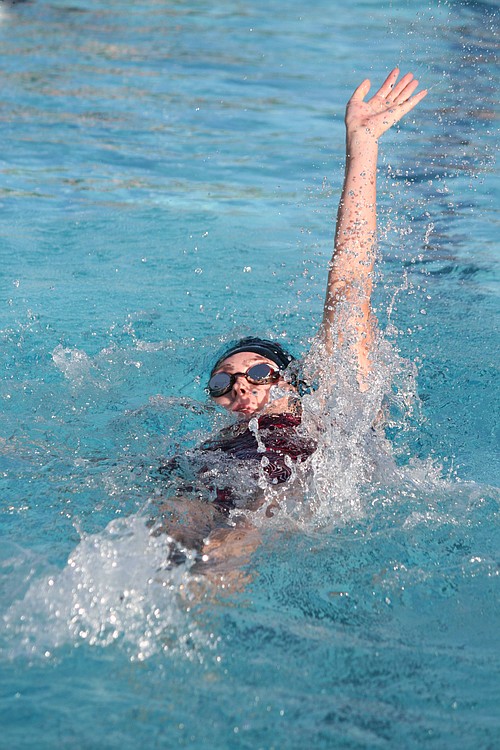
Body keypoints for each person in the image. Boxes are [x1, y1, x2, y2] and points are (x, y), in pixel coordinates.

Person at [153, 69, 427, 576]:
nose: (240, 386)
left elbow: (349, 282)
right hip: (206, 490)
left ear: (291, 380)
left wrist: (363, 144)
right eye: (222, 383)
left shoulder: (334, 411)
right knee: (170, 526)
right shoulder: (215, 444)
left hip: (280, 504)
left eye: (258, 373)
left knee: (237, 534)